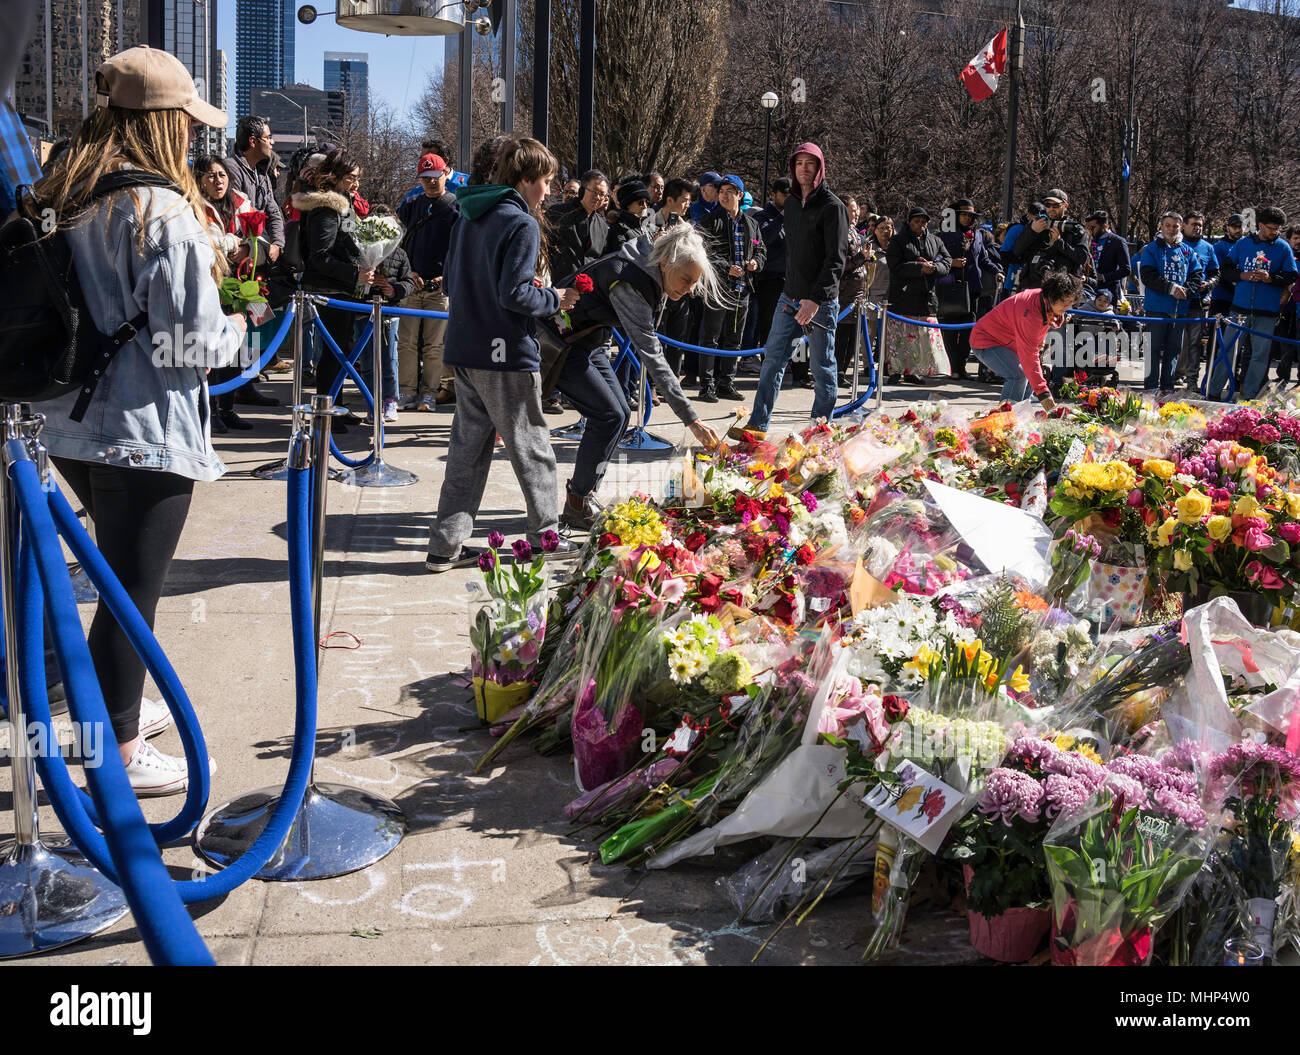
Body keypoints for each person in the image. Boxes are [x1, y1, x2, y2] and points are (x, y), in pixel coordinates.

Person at [29, 45, 241, 794]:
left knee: (113, 590)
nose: (194, 135)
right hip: (143, 430)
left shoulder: (67, 193)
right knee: (129, 600)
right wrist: (240, 326)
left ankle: (109, 715)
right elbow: (192, 342)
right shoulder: (161, 209)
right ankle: (114, 749)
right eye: (188, 119)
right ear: (164, 123)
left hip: (68, 421)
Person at [425, 137, 581, 571]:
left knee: (467, 452)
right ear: (525, 179)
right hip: (505, 352)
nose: (548, 191)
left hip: (465, 348)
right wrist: (554, 299)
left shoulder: (467, 217)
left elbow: (451, 286)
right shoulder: (520, 223)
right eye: (546, 182)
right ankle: (546, 535)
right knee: (532, 447)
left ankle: (446, 544)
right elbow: (516, 295)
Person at [540, 225, 722, 529]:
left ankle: (585, 495)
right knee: (608, 415)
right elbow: (651, 354)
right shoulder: (630, 281)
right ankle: (577, 502)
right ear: (665, 264)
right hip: (560, 343)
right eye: (686, 279)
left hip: (590, 341)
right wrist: (691, 419)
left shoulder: (651, 264)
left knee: (620, 415)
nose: (689, 289)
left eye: (695, 282)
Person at [741, 142, 848, 437]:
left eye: (809, 163)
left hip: (821, 303)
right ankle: (758, 425)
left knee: (822, 366)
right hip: (789, 297)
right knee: (772, 360)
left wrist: (815, 299)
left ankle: (820, 431)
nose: (803, 169)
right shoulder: (789, 203)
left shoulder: (833, 207)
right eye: (799, 163)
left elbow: (835, 260)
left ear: (819, 168)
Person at [296, 148, 373, 433]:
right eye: (351, 178)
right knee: (333, 353)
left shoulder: (341, 203)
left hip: (341, 288)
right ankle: (326, 413)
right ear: (336, 176)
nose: (356, 184)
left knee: (342, 350)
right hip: (329, 289)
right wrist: (355, 272)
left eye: (357, 178)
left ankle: (336, 407)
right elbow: (320, 256)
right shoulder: (328, 208)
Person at [221, 115, 284, 409]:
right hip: (235, 264)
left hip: (258, 266)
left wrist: (278, 244)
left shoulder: (261, 172)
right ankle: (225, 395)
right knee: (235, 323)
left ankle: (247, 382)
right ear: (253, 141)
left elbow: (272, 212)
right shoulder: (230, 170)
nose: (272, 142)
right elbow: (235, 216)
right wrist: (255, 246)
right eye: (268, 137)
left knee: (257, 322)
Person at [194, 152, 258, 434]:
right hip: (215, 283)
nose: (217, 180)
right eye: (210, 176)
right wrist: (236, 241)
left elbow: (259, 233)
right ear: (200, 181)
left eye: (221, 174)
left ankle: (229, 408)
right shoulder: (196, 206)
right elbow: (213, 242)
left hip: (246, 279)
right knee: (216, 347)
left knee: (243, 345)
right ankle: (211, 408)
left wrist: (249, 247)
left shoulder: (241, 200)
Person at [1209, 205, 1300, 401]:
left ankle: (1249, 394)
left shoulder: (1283, 247)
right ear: (1260, 225)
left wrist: (1271, 278)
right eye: (1270, 228)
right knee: (1229, 350)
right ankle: (1214, 391)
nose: (1274, 232)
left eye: (1277, 229)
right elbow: (1225, 268)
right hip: (1239, 309)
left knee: (1260, 355)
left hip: (1267, 312)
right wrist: (1242, 275)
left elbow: (1292, 274)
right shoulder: (1243, 243)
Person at [396, 151, 460, 410]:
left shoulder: (457, 208)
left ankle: (429, 393)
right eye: (425, 178)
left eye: (436, 176)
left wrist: (447, 276)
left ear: (446, 174)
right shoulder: (411, 206)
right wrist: (408, 272)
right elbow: (396, 245)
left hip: (441, 289)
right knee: (407, 342)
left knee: (435, 345)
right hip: (412, 284)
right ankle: (405, 391)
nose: (431, 182)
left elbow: (462, 250)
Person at [696, 174, 765, 403]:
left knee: (734, 339)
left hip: (742, 289)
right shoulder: (710, 221)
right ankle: (706, 386)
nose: (724, 196)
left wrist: (755, 263)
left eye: (729, 192)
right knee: (710, 338)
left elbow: (760, 250)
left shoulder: (751, 224)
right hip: (718, 289)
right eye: (721, 191)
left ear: (740, 195)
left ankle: (726, 383)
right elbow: (704, 252)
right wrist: (727, 267)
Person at [970, 270, 1083, 407]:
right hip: (986, 340)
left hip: (1009, 342)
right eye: (1064, 302)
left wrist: (1039, 341)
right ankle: (1005, 419)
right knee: (1017, 376)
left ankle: (1020, 417)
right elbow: (1029, 354)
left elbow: (1033, 341)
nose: (1067, 307)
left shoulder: (1046, 304)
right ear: (1052, 295)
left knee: (1030, 378)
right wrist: (1043, 393)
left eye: (1071, 302)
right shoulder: (1030, 311)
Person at [1135, 211, 1205, 394]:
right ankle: (1150, 388)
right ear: (1161, 226)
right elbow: (1147, 275)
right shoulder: (1151, 249)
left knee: (1174, 351)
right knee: (1152, 350)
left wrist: (1188, 290)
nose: (1171, 229)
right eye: (1168, 225)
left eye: (1175, 226)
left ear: (1180, 227)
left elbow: (1197, 275)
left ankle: (1167, 388)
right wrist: (1171, 288)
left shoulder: (1188, 251)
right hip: (1156, 308)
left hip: (1179, 310)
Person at [884, 207, 952, 383]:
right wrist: (918, 268)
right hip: (903, 296)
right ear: (909, 222)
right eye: (917, 222)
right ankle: (895, 371)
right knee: (900, 336)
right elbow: (895, 265)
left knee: (919, 337)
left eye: (923, 222)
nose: (921, 225)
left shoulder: (935, 240)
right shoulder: (898, 241)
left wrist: (935, 268)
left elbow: (947, 260)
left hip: (925, 296)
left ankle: (913, 371)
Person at [937, 198, 999, 379]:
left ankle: (961, 366)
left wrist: (997, 271)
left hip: (972, 288)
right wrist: (952, 263)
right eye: (963, 214)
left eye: (970, 215)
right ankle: (953, 367)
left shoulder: (978, 234)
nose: (966, 218)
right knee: (950, 329)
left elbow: (984, 259)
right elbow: (938, 256)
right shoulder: (946, 233)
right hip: (951, 287)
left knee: (968, 330)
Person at [748, 176, 791, 374]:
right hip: (768, 280)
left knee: (787, 327)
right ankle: (768, 363)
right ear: (774, 195)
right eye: (785, 194)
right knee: (769, 325)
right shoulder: (761, 217)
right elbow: (762, 239)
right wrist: (782, 216)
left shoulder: (794, 217)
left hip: (789, 280)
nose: (789, 199)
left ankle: (784, 361)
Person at [1172, 211, 1218, 389]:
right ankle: (1174, 375)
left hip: (1198, 302)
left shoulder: (1207, 247)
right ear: (1184, 226)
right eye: (1194, 224)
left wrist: (1209, 284)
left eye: (1200, 224)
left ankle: (1192, 380)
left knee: (1194, 344)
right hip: (1176, 301)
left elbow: (1216, 272)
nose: (1197, 227)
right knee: (1175, 342)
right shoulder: (1175, 245)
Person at [1012, 188, 1089, 288]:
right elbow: (1017, 251)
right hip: (1035, 285)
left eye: (1056, 205)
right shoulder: (1036, 224)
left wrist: (1059, 242)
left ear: (1065, 206)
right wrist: (1032, 232)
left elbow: (1082, 258)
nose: (1051, 209)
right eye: (1048, 205)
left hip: (1063, 287)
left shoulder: (1075, 229)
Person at [546, 168, 609, 282]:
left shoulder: (603, 226)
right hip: (559, 286)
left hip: (589, 291)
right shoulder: (558, 213)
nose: (598, 197)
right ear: (583, 190)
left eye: (602, 194)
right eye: (595, 192)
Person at [835, 195, 872, 386]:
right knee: (841, 336)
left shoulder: (855, 232)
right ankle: (836, 372)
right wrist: (861, 258)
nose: (856, 213)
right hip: (843, 293)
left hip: (858, 293)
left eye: (857, 210)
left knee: (852, 338)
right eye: (852, 210)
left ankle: (843, 371)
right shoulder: (838, 232)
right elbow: (838, 265)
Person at [1083, 209, 1132, 302]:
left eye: (1093, 227)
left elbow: (1126, 269)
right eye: (1088, 228)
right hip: (1089, 289)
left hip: (1108, 292)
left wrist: (1104, 277)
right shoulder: (1088, 240)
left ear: (1104, 226)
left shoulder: (1118, 241)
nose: (1090, 230)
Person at [606, 180, 651, 253]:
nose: (645, 206)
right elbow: (624, 254)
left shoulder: (649, 226)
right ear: (628, 204)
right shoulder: (618, 228)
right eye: (641, 202)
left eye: (647, 202)